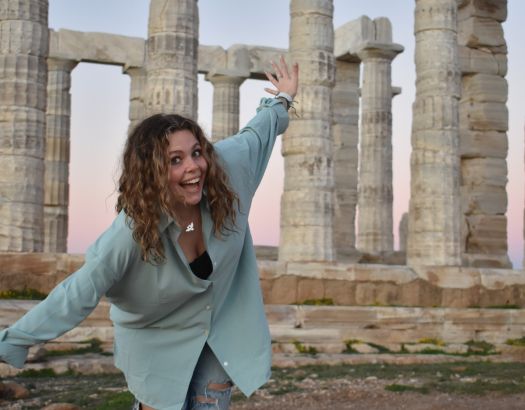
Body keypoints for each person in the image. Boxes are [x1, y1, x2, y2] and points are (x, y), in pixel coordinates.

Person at [0, 56, 298, 410]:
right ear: (152, 171)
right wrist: (11, 341)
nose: (193, 167)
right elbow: (77, 293)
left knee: (210, 402)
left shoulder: (229, 167)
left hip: (223, 324)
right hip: (156, 335)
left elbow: (260, 130)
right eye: (175, 160)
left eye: (196, 153)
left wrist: (282, 99)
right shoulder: (130, 233)